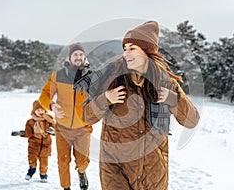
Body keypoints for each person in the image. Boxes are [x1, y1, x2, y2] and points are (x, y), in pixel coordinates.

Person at [78, 21, 200, 189]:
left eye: (132, 48)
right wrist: (105, 98)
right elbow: (86, 117)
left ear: (146, 52)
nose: (126, 53)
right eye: (125, 48)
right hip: (116, 171)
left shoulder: (165, 83)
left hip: (154, 171)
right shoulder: (111, 78)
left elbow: (191, 121)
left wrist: (173, 100)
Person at [39, 42, 92, 190]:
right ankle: (66, 187)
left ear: (84, 57)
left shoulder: (91, 77)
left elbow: (100, 97)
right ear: (70, 57)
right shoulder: (58, 76)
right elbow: (44, 95)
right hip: (62, 128)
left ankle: (82, 172)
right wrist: (51, 105)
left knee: (82, 161)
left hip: (83, 128)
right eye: (75, 54)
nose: (78, 57)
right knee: (63, 161)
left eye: (81, 54)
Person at [20, 100, 55, 183]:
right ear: (34, 111)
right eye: (38, 110)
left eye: (42, 110)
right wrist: (21, 133)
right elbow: (28, 133)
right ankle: (31, 171)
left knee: (44, 164)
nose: (41, 112)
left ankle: (43, 175)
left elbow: (56, 130)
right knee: (32, 160)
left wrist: (53, 131)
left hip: (45, 146)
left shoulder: (49, 121)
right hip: (33, 145)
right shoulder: (30, 122)